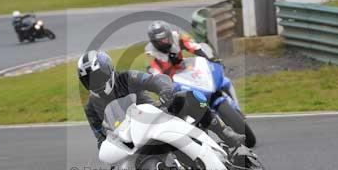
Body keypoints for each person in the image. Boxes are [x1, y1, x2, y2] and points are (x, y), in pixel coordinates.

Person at [77, 50, 245, 150]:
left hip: (156, 115)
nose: (95, 83)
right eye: (89, 80)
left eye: (98, 76)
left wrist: (165, 89)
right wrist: (108, 147)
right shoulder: (91, 106)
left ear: (108, 70)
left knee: (191, 97)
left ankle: (227, 134)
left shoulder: (126, 78)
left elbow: (152, 80)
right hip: (132, 138)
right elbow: (100, 136)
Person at [145, 21, 218, 76]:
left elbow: (194, 47)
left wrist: (210, 59)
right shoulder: (150, 52)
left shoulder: (177, 36)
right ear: (154, 42)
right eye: (161, 41)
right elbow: (155, 70)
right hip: (168, 77)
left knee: (199, 66)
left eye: (167, 38)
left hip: (183, 67)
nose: (166, 42)